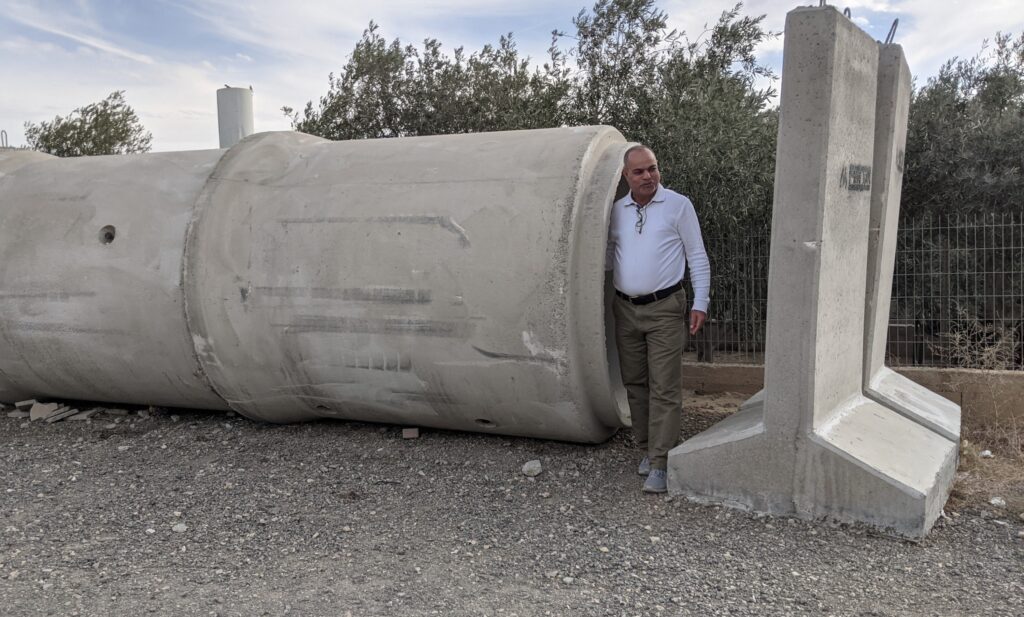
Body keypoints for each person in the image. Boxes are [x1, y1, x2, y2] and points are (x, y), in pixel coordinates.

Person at [607, 144, 711, 493]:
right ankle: (645, 450)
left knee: (665, 386)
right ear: (626, 176)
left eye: (652, 168)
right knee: (635, 383)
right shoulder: (616, 211)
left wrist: (701, 302)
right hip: (624, 308)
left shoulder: (678, 206)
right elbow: (607, 258)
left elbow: (697, 255)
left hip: (666, 307)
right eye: (639, 171)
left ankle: (662, 462)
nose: (648, 176)